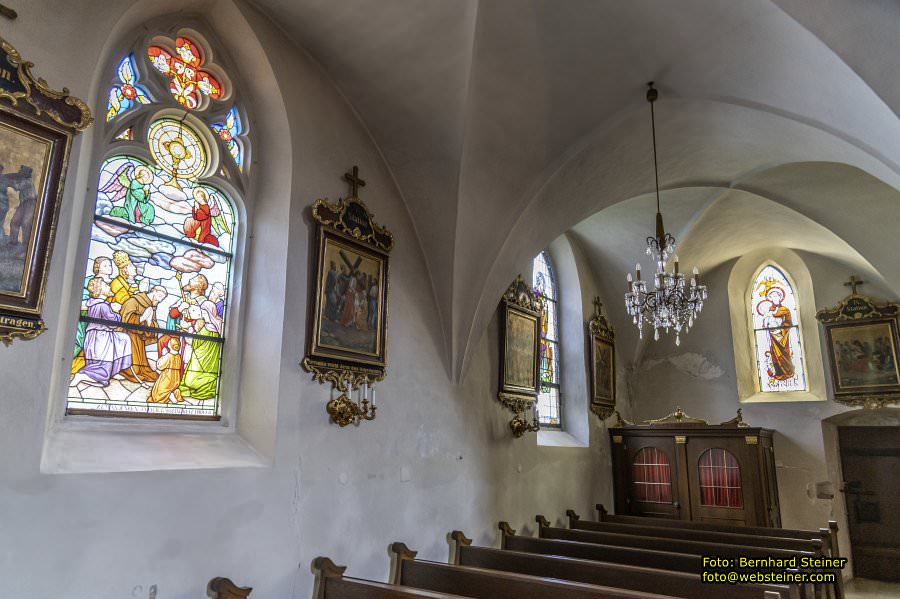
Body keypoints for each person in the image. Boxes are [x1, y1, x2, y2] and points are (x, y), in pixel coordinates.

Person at [70, 278, 134, 387]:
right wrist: (116, 312)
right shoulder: (103, 306)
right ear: (99, 290)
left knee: (124, 339)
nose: (109, 286)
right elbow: (113, 323)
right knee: (101, 365)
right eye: (105, 285)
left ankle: (113, 371)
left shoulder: (94, 303)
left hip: (96, 336)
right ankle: (81, 376)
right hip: (101, 337)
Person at [119, 285, 168, 384]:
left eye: (161, 299)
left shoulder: (151, 307)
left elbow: (153, 325)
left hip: (139, 339)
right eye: (159, 296)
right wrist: (142, 318)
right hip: (127, 337)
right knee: (134, 368)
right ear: (153, 291)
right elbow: (125, 318)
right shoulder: (134, 300)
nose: (159, 300)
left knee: (144, 370)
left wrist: (149, 321)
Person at [179, 303, 221, 401]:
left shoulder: (207, 329)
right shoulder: (214, 327)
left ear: (209, 313)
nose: (202, 314)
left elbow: (192, 342)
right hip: (205, 359)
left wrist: (187, 333)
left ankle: (209, 382)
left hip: (202, 361)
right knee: (189, 380)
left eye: (204, 311)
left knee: (190, 381)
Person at [7, 165, 37, 246]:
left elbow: (17, 186)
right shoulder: (24, 180)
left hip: (31, 202)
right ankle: (13, 242)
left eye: (21, 171)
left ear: (26, 173)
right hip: (23, 203)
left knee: (26, 223)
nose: (19, 172)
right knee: (14, 222)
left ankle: (26, 246)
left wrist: (6, 180)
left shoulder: (27, 181)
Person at [148, 338, 184, 403]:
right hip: (176, 378)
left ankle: (170, 395)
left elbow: (160, 366)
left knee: (158, 393)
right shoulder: (178, 356)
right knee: (171, 387)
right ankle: (174, 393)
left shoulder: (168, 356)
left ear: (170, 345)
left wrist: (162, 357)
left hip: (167, 378)